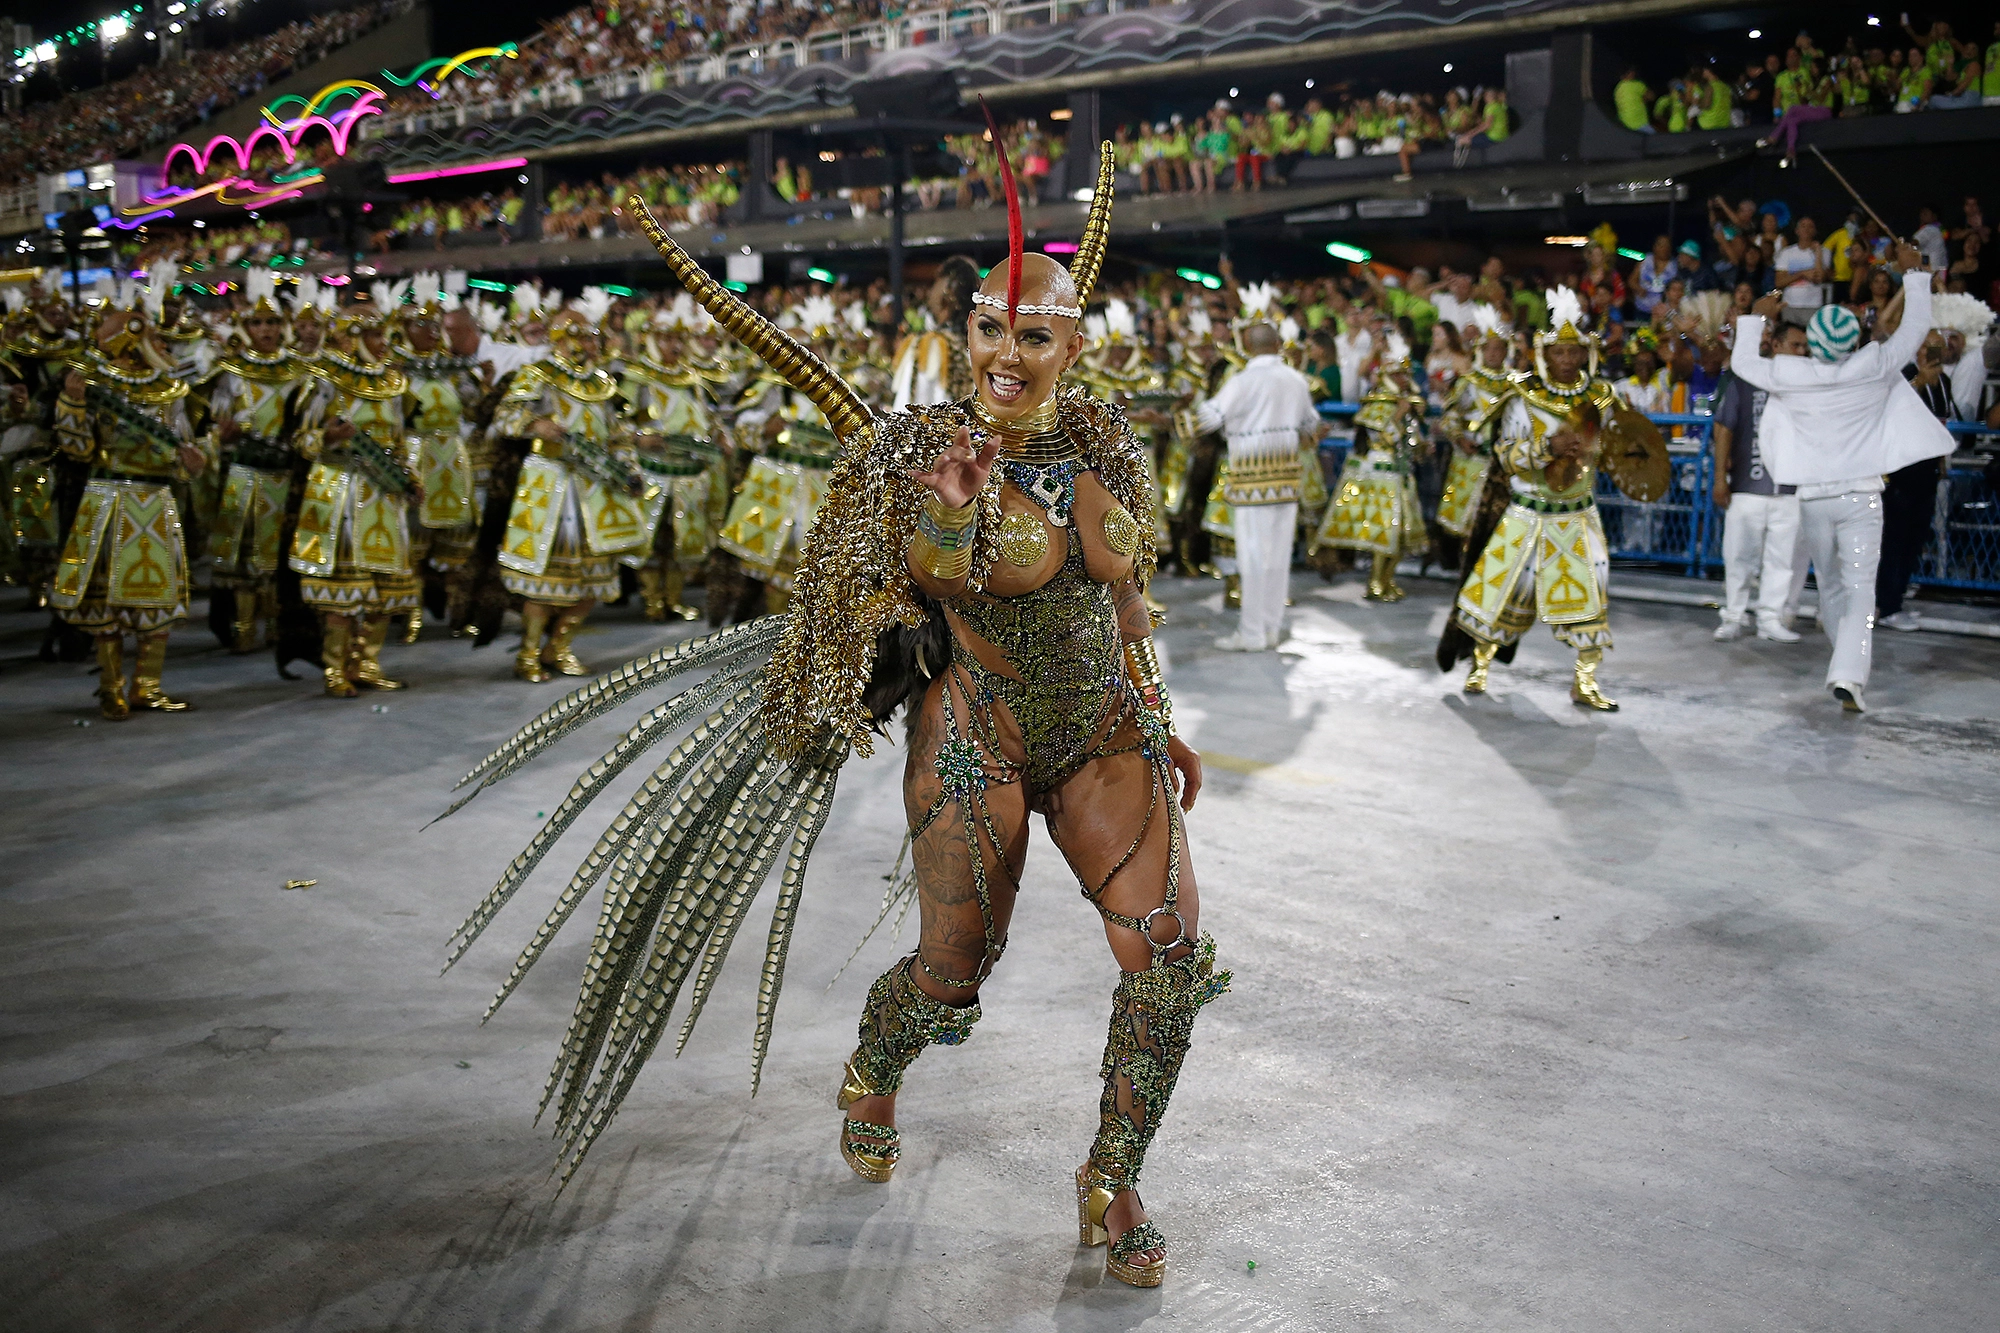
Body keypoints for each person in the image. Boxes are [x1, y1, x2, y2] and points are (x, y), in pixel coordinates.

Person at [450, 140, 1225, 1291]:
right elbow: (928, 575)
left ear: (1075, 344)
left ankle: (1112, 1175)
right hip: (977, 732)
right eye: (988, 328)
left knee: (1164, 953)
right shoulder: (919, 448)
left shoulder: (1107, 439)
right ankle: (875, 1066)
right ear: (965, 330)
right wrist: (953, 510)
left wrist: (1155, 712)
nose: (1005, 354)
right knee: (953, 968)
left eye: (1034, 334)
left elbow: (1123, 595)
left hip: (1101, 726)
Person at [1727, 247, 1951, 712]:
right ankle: (1848, 672)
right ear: (1853, 342)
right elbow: (1914, 329)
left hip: (1813, 499)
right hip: (1861, 498)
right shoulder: (1874, 366)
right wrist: (1913, 273)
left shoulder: (1792, 373)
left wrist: (1755, 318)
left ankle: (1845, 659)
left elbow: (1743, 365)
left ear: (1813, 342)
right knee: (1859, 590)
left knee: (1830, 586)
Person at [1447, 288, 1665, 707]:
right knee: (1502, 593)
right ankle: (1480, 664)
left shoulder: (1601, 397)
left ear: (1585, 354)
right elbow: (1506, 455)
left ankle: (1585, 680)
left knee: (1591, 593)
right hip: (1527, 513)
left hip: (1577, 514)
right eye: (1558, 352)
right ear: (1545, 355)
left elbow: (1619, 449)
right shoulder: (1522, 396)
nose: (1566, 359)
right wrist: (1547, 448)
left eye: (1572, 352)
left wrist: (1609, 455)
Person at [50, 278, 208, 719]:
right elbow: (77, 449)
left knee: (157, 599)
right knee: (107, 603)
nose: (160, 342)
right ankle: (111, 687)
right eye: (150, 335)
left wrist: (194, 462)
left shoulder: (170, 390)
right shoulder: (92, 384)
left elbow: (186, 448)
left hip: (156, 500)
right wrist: (72, 404)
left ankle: (148, 687)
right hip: (108, 499)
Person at [492, 287, 650, 681]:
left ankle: (559, 647)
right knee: (545, 578)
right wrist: (535, 424)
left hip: (598, 490)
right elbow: (505, 417)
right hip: (552, 484)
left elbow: (617, 436)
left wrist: (630, 471)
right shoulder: (538, 375)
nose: (590, 344)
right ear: (560, 340)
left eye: (593, 337)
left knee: (596, 577)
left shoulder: (602, 383)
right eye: (581, 337)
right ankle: (528, 654)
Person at [289, 289, 421, 698]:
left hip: (384, 496)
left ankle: (367, 663)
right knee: (342, 593)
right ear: (350, 337)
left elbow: (399, 441)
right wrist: (327, 438)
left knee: (384, 590)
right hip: (340, 491)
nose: (384, 343)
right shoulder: (325, 378)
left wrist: (411, 476)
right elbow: (300, 439)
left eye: (385, 335)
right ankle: (334, 669)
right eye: (375, 335)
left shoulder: (394, 382)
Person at [201, 268, 311, 654]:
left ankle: (277, 627)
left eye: (272, 323)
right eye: (257, 323)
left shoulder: (300, 371)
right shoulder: (229, 372)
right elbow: (212, 424)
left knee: (280, 557)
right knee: (242, 558)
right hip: (245, 474)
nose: (265, 329)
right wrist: (223, 434)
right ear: (246, 327)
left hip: (286, 476)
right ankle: (243, 628)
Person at [1195, 319, 1322, 650]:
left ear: (1248, 347)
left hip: (1251, 481)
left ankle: (1251, 634)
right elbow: (1311, 425)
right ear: (1278, 345)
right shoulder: (1296, 380)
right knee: (1278, 558)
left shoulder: (1242, 381)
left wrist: (1186, 411)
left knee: (1252, 558)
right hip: (1286, 479)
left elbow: (1208, 418)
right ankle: (1270, 628)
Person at [1710, 317, 1804, 643]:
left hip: (1789, 489)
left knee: (1781, 561)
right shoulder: (1747, 379)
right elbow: (1724, 428)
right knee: (1738, 558)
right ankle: (1733, 617)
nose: (1801, 352)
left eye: (1805, 348)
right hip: (1747, 486)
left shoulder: (1805, 386)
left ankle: (1770, 620)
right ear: (1775, 345)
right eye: (1795, 345)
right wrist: (1720, 479)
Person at [1877, 327, 1956, 631]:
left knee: (1915, 538)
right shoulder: (1907, 375)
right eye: (1928, 346)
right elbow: (1891, 409)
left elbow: (1940, 422)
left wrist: (1941, 459)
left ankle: (1897, 598)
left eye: (1938, 347)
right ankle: (1887, 605)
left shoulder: (1944, 382)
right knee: (1894, 540)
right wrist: (1921, 381)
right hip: (1902, 471)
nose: (1933, 354)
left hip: (1928, 470)